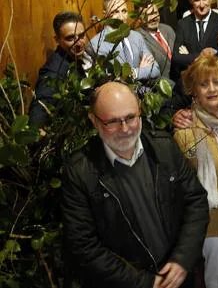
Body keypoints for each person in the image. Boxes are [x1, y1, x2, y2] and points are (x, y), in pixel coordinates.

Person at [62, 82, 209, 288]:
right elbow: (84, 247)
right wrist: (147, 283)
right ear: (94, 121)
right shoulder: (80, 172)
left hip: (180, 279)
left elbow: (196, 201)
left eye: (130, 118)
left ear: (140, 111)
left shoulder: (164, 147)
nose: (124, 129)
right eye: (112, 122)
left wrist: (182, 260)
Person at [173, 55, 218, 288]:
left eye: (216, 82)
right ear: (193, 90)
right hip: (212, 220)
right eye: (203, 84)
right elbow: (189, 188)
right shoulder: (185, 132)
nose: (212, 89)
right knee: (216, 278)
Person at [30, 11, 93, 126]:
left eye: (82, 35)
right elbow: (37, 117)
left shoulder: (88, 52)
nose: (79, 43)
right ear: (57, 40)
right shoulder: (54, 71)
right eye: (70, 38)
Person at [90, 0, 161, 81]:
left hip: (145, 90)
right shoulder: (96, 43)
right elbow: (110, 78)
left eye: (124, 11)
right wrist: (140, 71)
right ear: (105, 14)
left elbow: (156, 68)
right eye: (115, 12)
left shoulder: (136, 36)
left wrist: (135, 73)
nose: (121, 17)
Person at [172, 0, 218, 81]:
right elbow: (176, 57)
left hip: (216, 78)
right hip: (192, 80)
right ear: (190, 1)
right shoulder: (183, 24)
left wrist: (189, 56)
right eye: (197, 0)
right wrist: (202, 56)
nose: (201, 4)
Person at [137, 2, 176, 84]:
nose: (153, 18)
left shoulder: (168, 29)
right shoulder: (138, 39)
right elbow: (151, 76)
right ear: (139, 18)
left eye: (155, 13)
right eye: (147, 15)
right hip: (165, 89)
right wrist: (174, 87)